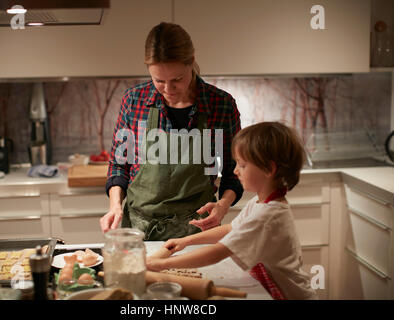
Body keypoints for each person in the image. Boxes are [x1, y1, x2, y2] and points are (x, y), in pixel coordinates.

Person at [100, 22, 243, 241]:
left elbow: (234, 171)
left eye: (177, 79)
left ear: (192, 60)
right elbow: (119, 164)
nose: (168, 89)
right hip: (138, 230)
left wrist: (222, 206)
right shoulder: (134, 101)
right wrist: (115, 205)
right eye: (159, 80)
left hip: (197, 230)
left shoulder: (221, 105)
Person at [146, 122, 317, 300]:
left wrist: (164, 264)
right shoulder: (260, 204)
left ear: (269, 169)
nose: (235, 171)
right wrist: (185, 241)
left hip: (289, 295)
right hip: (270, 287)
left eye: (242, 165)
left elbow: (218, 252)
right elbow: (231, 229)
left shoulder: (268, 216)